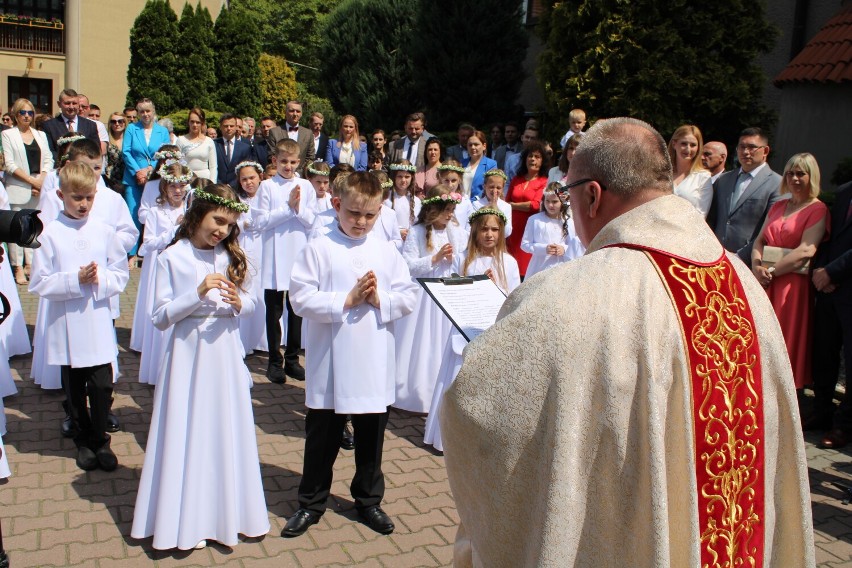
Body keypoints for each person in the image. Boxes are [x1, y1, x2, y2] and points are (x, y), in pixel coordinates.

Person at [441, 117, 815, 567]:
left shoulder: (568, 297)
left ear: (593, 195)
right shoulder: (743, 284)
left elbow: (476, 409)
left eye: (570, 196)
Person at [131, 184, 269, 551]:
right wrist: (195, 294)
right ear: (197, 215)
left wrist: (241, 302)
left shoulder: (231, 256)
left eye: (229, 224)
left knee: (225, 428)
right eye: (217, 220)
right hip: (188, 355)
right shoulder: (172, 257)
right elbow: (159, 317)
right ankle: (183, 521)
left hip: (224, 352)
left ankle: (230, 514)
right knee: (187, 428)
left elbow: (253, 302)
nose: (223, 230)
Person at [283, 172, 419, 538]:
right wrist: (346, 299)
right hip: (331, 358)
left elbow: (409, 295)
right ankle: (311, 502)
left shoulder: (386, 250)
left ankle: (369, 501)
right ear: (336, 205)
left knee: (371, 437)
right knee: (323, 435)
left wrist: (380, 299)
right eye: (354, 213)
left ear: (380, 212)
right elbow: (298, 298)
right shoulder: (318, 247)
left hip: (373, 357)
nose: (361, 222)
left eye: (370, 216)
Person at [29, 161, 129, 471]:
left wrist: (99, 279)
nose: (83, 204)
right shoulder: (50, 233)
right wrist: (75, 279)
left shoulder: (103, 230)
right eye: (77, 198)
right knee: (74, 389)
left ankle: (100, 440)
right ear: (61, 195)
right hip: (67, 323)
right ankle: (84, 441)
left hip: (96, 319)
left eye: (88, 197)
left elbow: (120, 273)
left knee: (101, 386)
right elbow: (40, 281)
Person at [424, 207, 520, 452]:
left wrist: (494, 287)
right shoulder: (463, 258)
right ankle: (446, 439)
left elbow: (515, 299)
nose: (489, 234)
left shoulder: (508, 262)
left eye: (495, 229)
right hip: (464, 330)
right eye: (484, 229)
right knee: (456, 381)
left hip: (492, 330)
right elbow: (453, 291)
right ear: (475, 231)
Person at [751, 153, 828, 393]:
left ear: (811, 176)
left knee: (785, 337)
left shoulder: (818, 209)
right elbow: (759, 240)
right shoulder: (778, 205)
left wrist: (770, 271)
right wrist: (756, 267)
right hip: (764, 280)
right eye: (790, 173)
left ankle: (783, 394)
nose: (794, 178)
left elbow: (807, 250)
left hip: (791, 286)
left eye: (801, 173)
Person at [394, 185, 467, 413]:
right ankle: (413, 393)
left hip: (445, 294)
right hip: (423, 297)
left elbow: (462, 262)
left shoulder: (454, 232)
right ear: (433, 209)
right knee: (420, 343)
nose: (450, 215)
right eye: (446, 210)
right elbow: (407, 265)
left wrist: (454, 262)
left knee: (440, 343)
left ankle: (439, 392)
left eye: (452, 210)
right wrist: (434, 259)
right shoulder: (417, 233)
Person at [256, 139, 314, 383]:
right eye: (283, 162)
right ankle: (274, 360)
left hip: (298, 253)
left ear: (298, 162)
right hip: (273, 256)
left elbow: (311, 220)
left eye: (292, 162)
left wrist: (297, 209)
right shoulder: (267, 187)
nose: (288, 166)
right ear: (274, 161)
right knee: (274, 311)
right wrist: (288, 208)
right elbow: (261, 222)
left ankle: (292, 359)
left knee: (296, 310)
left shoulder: (306, 186)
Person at [131, 163, 190, 385]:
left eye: (182, 185)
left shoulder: (191, 209)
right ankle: (159, 369)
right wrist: (174, 230)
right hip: (162, 266)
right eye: (173, 185)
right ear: (164, 187)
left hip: (185, 270)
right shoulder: (156, 213)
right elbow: (146, 247)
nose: (178, 190)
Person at [806, 179, 852, 448]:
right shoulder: (844, 191)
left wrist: (832, 271)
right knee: (823, 352)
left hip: (846, 284)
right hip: (829, 289)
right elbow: (828, 236)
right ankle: (822, 410)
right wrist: (822, 271)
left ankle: (844, 426)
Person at [706, 127, 782, 264]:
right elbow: (712, 219)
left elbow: (770, 229)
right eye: (742, 147)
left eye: (752, 147)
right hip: (715, 256)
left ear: (765, 151)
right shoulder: (723, 180)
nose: (746, 152)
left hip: (748, 262)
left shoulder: (777, 184)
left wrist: (741, 256)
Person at [2, 97, 53, 284]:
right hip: (18, 186)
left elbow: (48, 159)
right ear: (15, 115)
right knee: (17, 228)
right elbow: (9, 165)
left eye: (30, 112)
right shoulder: (8, 135)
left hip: (38, 187)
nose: (26, 116)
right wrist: (31, 181)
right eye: (22, 112)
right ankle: (17, 266)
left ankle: (31, 265)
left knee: (33, 227)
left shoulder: (41, 135)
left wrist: (42, 180)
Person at [122, 98, 171, 259]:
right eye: (142, 111)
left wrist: (151, 169)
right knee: (133, 211)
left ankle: (153, 247)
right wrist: (138, 171)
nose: (145, 114)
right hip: (134, 177)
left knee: (154, 211)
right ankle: (132, 251)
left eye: (148, 111)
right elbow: (126, 152)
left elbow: (165, 152)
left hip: (155, 176)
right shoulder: (131, 129)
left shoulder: (162, 131)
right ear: (137, 113)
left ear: (153, 111)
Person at [234, 160, 267, 355]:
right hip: (245, 247)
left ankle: (263, 339)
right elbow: (232, 223)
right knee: (248, 288)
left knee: (264, 292)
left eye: (252, 178)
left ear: (260, 177)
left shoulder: (266, 196)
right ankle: (245, 338)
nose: (248, 183)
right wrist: (241, 224)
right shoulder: (238, 199)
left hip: (264, 247)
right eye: (244, 179)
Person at [521, 183, 584, 278]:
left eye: (554, 202)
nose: (550, 205)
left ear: (562, 202)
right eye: (547, 201)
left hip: (561, 267)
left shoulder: (568, 221)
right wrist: (544, 248)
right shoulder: (534, 220)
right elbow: (525, 245)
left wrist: (563, 249)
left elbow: (573, 245)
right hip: (539, 267)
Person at [505, 140, 549, 278]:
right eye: (530, 156)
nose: (532, 159)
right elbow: (506, 201)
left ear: (542, 161)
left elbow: (535, 205)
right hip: (513, 227)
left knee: (526, 267)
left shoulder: (544, 181)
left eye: (537, 157)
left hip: (529, 227)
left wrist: (513, 205)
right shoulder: (516, 179)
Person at [41, 88, 100, 159]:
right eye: (67, 103)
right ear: (59, 104)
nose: (71, 107)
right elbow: (49, 151)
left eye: (74, 103)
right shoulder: (49, 126)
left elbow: (96, 149)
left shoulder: (90, 125)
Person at [668, 124, 713, 217]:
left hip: (687, 230)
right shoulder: (662, 173)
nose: (688, 149)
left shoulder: (703, 177)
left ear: (698, 148)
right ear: (674, 144)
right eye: (684, 144)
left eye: (693, 145)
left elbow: (701, 214)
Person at [266, 100, 315, 166]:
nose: (295, 114)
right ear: (285, 112)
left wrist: (298, 173)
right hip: (280, 172)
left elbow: (310, 158)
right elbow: (271, 156)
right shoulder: (274, 132)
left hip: (301, 174)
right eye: (292, 111)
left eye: (298, 111)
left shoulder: (308, 133)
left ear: (301, 114)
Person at [177, 107, 217, 182]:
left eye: (198, 122)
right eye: (192, 122)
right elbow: (177, 164)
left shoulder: (209, 141)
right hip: (187, 180)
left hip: (205, 180)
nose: (194, 125)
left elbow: (213, 166)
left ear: (202, 123)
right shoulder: (181, 140)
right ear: (188, 122)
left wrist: (212, 184)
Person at [384, 161, 421, 241]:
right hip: (391, 241)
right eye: (400, 176)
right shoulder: (386, 199)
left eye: (407, 177)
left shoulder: (416, 201)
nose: (403, 180)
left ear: (412, 178)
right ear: (394, 177)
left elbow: (418, 224)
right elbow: (383, 223)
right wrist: (398, 232)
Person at [472, 169, 513, 236]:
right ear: (484, 186)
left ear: (503, 189)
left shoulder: (506, 206)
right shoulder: (477, 204)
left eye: (498, 188)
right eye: (491, 187)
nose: (495, 190)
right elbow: (475, 227)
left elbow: (507, 232)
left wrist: (496, 209)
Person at [214, 113, 251, 187]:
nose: (229, 128)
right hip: (217, 187)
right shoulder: (213, 144)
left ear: (236, 127)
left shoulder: (245, 148)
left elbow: (245, 169)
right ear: (220, 127)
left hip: (237, 188)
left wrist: (233, 184)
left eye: (231, 126)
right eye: (226, 126)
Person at [462, 130, 498, 201]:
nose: (473, 147)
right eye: (470, 145)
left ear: (484, 146)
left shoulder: (491, 164)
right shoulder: (461, 163)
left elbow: (490, 186)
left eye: (476, 144)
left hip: (479, 204)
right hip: (461, 204)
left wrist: (474, 200)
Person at [105, 111, 127, 193]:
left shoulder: (130, 140)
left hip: (127, 179)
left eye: (120, 121)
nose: (117, 124)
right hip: (111, 180)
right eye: (113, 121)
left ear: (125, 123)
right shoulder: (106, 140)